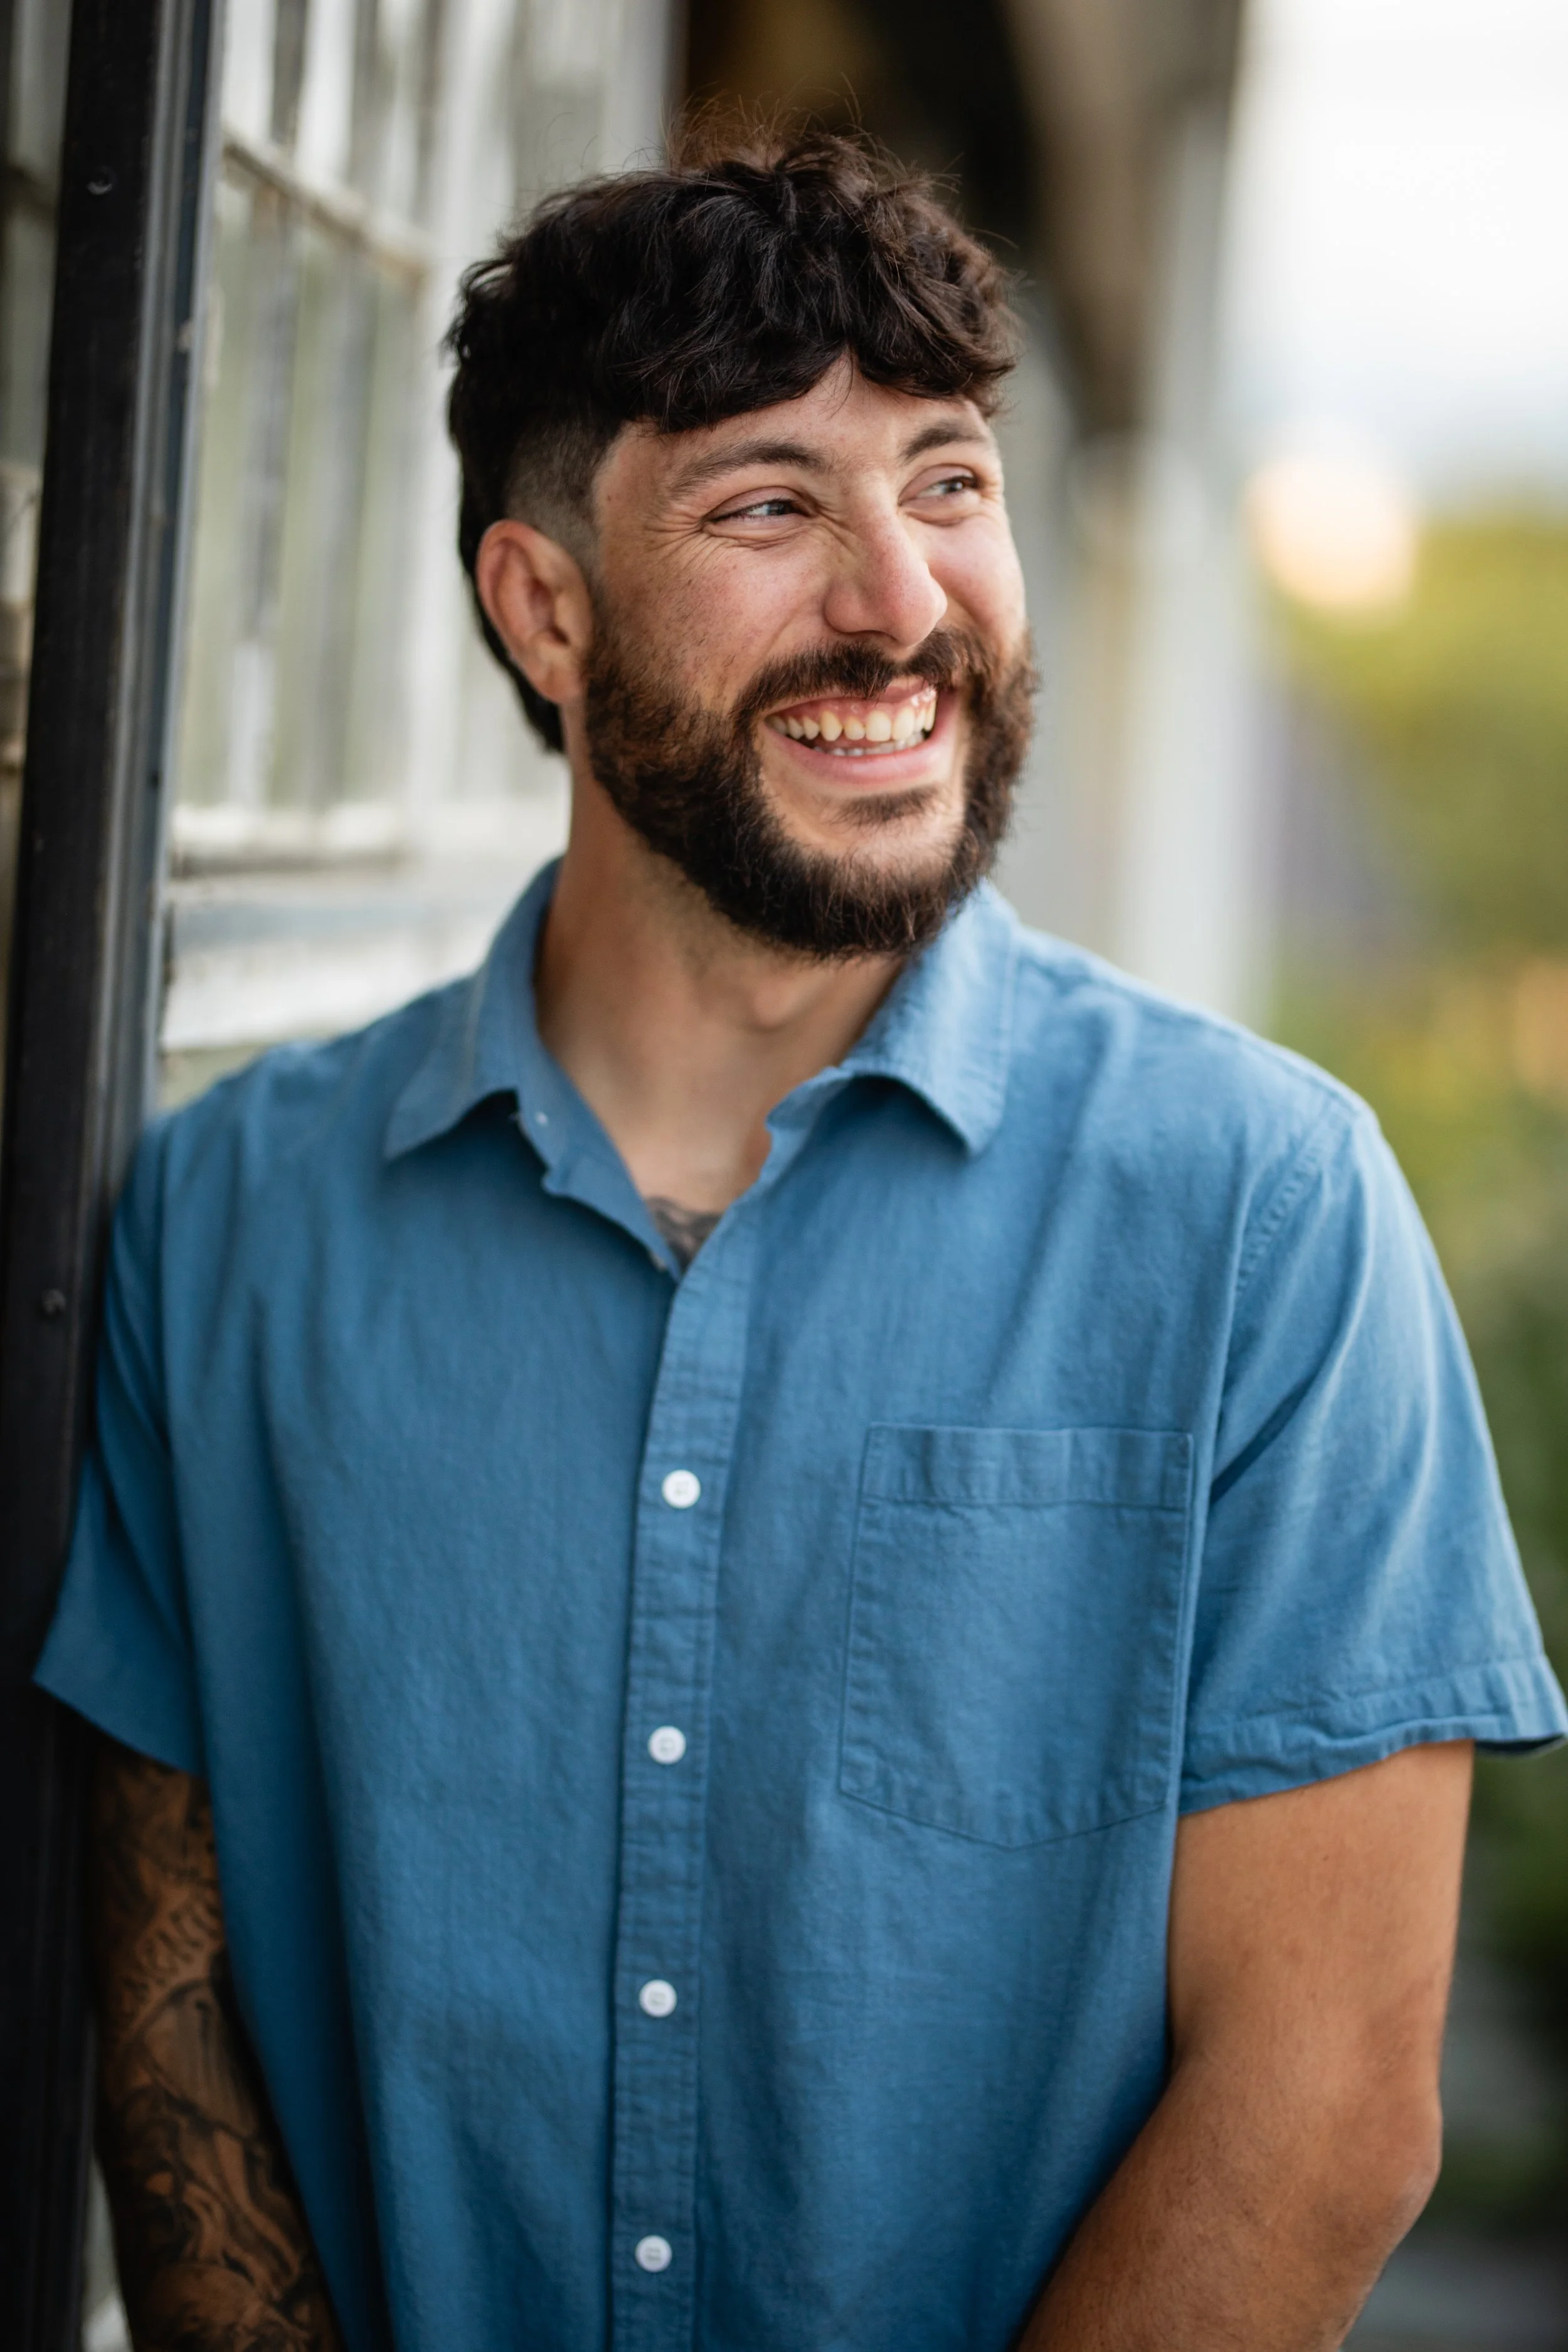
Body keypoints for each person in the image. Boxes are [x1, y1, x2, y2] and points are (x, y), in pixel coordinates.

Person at [38, 124, 1566, 2352]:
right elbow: (174, 2046)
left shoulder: (1261, 1216)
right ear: (541, 608)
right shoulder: (232, 1224)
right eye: (770, 505)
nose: (902, 599)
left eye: (948, 482)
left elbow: (1324, 2111)